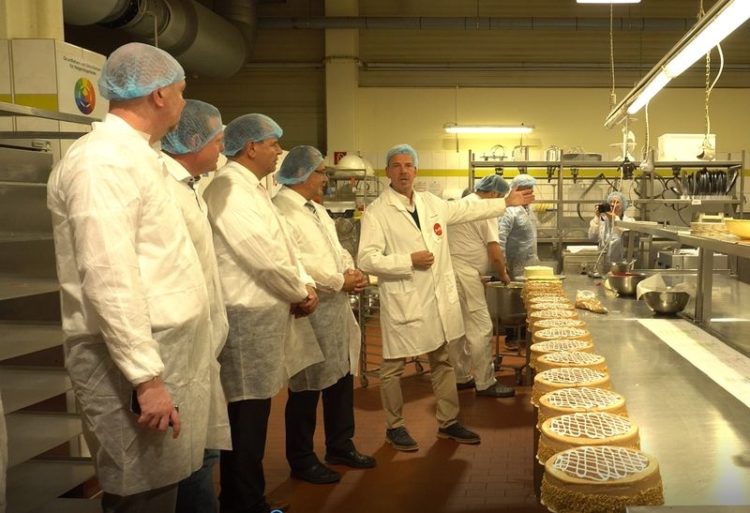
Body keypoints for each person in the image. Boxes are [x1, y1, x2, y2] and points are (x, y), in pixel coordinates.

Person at [47, 42, 213, 513]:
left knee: (164, 489)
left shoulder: (140, 157)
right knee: (141, 497)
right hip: (133, 368)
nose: (183, 104)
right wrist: (146, 379)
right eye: (180, 93)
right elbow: (108, 276)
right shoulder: (101, 162)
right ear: (159, 95)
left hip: (163, 357)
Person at [357, 144, 534, 451]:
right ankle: (395, 426)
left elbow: (467, 209)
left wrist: (506, 203)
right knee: (393, 368)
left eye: (408, 165)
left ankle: (449, 422)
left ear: (416, 170)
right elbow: (367, 260)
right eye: (396, 166)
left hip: (438, 299)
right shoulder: (377, 212)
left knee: (443, 361)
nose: (403, 171)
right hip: (406, 300)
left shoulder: (431, 203)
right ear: (387, 172)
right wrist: (407, 260)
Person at [203, 114, 319, 513]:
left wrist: (300, 285)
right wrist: (299, 291)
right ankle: (242, 504)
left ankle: (245, 499)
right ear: (251, 147)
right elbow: (262, 258)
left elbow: (283, 246)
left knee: (253, 418)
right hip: (245, 321)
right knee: (245, 423)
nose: (278, 152)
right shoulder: (228, 190)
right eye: (273, 144)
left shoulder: (252, 189)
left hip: (264, 318)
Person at [272, 145, 376, 485]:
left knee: (341, 380)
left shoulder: (314, 209)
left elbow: (335, 249)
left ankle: (340, 445)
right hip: (310, 310)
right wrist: (338, 280)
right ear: (302, 175)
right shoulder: (282, 211)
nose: (325, 178)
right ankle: (301, 458)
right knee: (306, 388)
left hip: (335, 310)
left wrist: (351, 271)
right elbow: (297, 262)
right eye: (320, 172)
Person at [161, 99, 231, 513]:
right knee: (182, 463)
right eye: (217, 140)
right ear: (191, 140)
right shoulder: (164, 192)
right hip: (175, 354)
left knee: (202, 456)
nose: (221, 149)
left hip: (200, 349)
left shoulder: (191, 189)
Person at [447, 175, 515, 398]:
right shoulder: (486, 211)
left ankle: (461, 376)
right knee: (481, 328)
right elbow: (495, 252)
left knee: (457, 329)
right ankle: (485, 382)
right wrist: (504, 275)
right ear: (494, 195)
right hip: (466, 276)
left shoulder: (462, 204)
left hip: (450, 274)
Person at [498, 174, 540, 280]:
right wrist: (502, 265)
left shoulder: (529, 209)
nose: (530, 194)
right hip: (514, 266)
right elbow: (500, 239)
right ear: (516, 190)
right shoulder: (509, 211)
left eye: (531, 190)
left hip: (531, 264)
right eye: (526, 191)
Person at [588, 190, 635, 271]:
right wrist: (597, 217)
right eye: (611, 202)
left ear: (623, 205)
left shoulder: (629, 221)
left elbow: (626, 235)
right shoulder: (602, 221)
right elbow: (592, 237)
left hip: (621, 265)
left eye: (617, 202)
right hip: (602, 264)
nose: (613, 204)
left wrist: (614, 219)